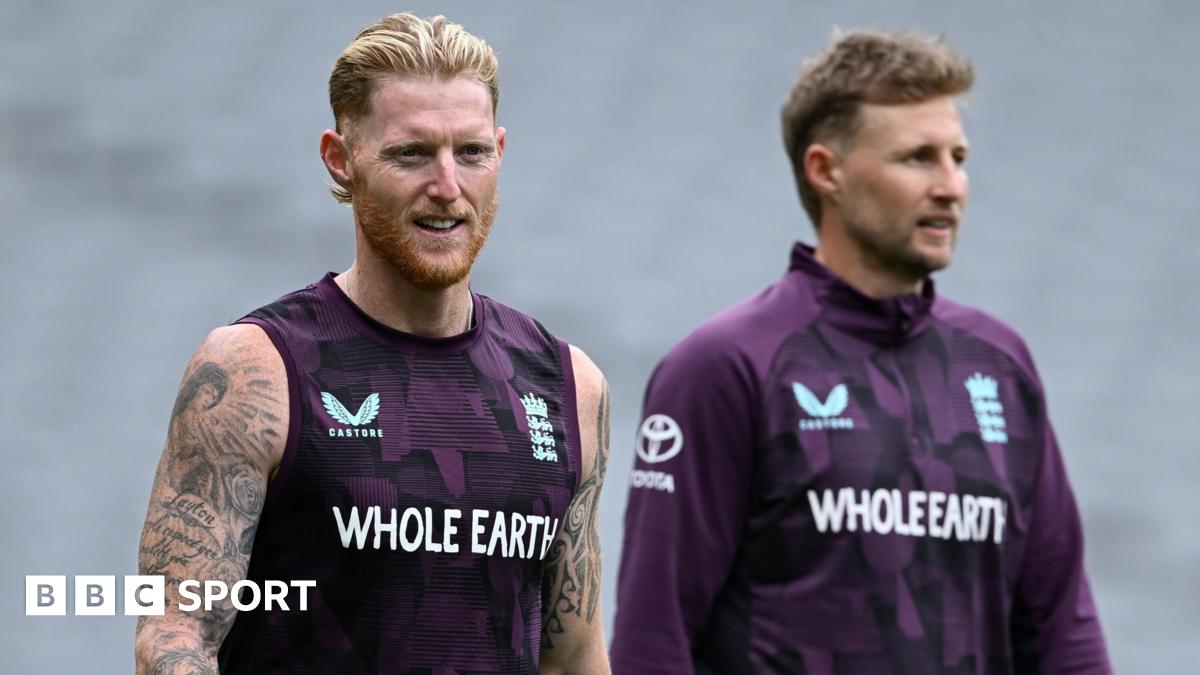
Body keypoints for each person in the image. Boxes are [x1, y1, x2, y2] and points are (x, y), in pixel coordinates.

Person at [610, 30, 1110, 674]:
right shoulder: (725, 367)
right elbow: (653, 640)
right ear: (826, 171)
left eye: (958, 157)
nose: (951, 186)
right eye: (918, 158)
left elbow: (1064, 631)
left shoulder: (999, 365)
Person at [133, 13, 610, 674]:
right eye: (411, 153)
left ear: (500, 151)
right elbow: (175, 635)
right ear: (341, 157)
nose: (448, 186)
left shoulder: (570, 387)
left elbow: (572, 654)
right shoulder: (255, 372)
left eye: (470, 152)